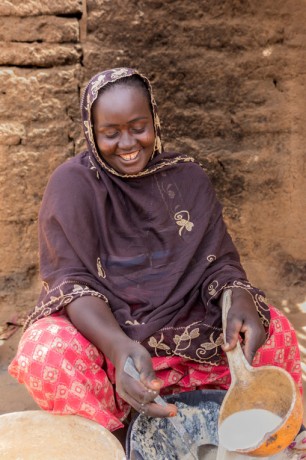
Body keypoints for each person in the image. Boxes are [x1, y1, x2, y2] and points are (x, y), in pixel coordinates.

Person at [9, 68, 303, 440]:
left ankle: (258, 434)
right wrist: (118, 349)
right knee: (44, 351)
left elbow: (219, 263)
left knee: (276, 331)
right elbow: (71, 285)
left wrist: (239, 296)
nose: (128, 143)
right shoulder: (72, 186)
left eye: (138, 127)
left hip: (189, 338)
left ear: (155, 121)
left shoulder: (187, 179)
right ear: (91, 132)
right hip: (111, 345)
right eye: (110, 133)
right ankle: (117, 438)